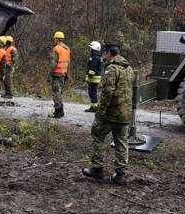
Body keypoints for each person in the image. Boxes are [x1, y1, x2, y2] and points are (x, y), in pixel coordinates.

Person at [83, 43, 134, 185]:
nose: (104, 56)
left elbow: (107, 92)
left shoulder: (112, 69)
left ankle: (97, 168)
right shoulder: (129, 69)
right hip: (125, 113)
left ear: (109, 53)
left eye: (105, 53)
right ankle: (120, 174)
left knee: (98, 134)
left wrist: (101, 111)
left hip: (112, 113)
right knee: (122, 142)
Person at [49, 31, 71, 118]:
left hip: (56, 74)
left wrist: (49, 75)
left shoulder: (56, 49)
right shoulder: (67, 49)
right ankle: (61, 112)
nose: (54, 40)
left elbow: (53, 64)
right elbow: (68, 62)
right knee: (60, 93)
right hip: (63, 74)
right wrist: (67, 74)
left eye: (54, 38)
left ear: (57, 39)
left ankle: (57, 112)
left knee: (56, 93)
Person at [85, 41, 103, 112]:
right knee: (92, 92)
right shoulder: (98, 57)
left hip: (93, 78)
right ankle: (93, 107)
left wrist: (89, 77)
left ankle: (94, 108)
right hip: (96, 78)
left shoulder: (95, 57)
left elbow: (92, 69)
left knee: (92, 93)